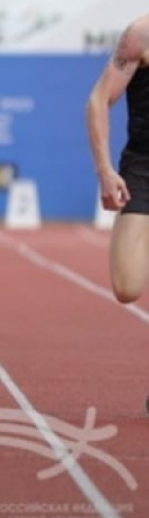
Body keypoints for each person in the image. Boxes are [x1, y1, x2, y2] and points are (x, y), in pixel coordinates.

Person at [85, 17, 149, 350]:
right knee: (127, 286)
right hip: (143, 167)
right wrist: (105, 171)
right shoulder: (141, 34)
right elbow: (98, 100)